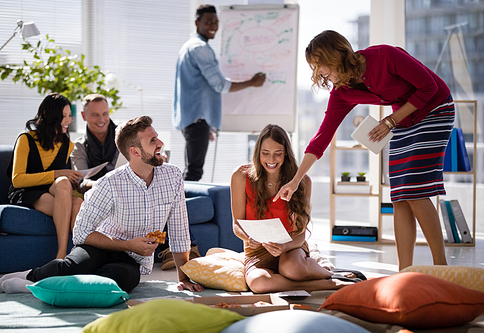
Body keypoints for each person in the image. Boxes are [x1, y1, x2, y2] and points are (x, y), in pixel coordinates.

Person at [274, 30, 455, 271]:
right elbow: (321, 137)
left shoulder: (384, 56)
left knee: (414, 190)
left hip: (435, 110)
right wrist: (296, 180)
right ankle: (404, 272)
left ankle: (442, 268)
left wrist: (390, 121)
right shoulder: (342, 92)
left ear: (336, 54)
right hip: (403, 118)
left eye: (320, 65)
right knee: (399, 196)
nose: (319, 73)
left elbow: (429, 87)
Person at [0, 116, 204, 294]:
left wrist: (183, 278)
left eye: (157, 136)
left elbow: (179, 228)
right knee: (77, 265)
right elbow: (81, 233)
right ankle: (32, 277)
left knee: (125, 279)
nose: (160, 143)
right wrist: (128, 244)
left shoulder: (173, 176)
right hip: (99, 246)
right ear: (135, 151)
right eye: (152, 140)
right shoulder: (109, 183)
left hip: (131, 258)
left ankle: (49, 285)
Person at [231, 124, 363, 294]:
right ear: (258, 153)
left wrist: (284, 247)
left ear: (286, 153)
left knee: (292, 270)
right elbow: (236, 224)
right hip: (256, 252)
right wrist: (249, 238)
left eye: (278, 153)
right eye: (265, 153)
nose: (271, 160)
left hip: (290, 248)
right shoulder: (241, 176)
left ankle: (328, 273)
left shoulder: (302, 181)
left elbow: (300, 235)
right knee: (258, 283)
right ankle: (327, 283)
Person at [173, 4, 266, 181]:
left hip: (194, 118)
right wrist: (252, 83)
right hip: (197, 119)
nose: (213, 26)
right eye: (208, 22)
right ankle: (185, 209)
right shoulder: (200, 48)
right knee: (194, 172)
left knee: (192, 169)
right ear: (196, 22)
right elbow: (220, 85)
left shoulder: (188, 46)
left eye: (215, 22)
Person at [7, 93, 84, 259]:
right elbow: (18, 179)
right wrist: (58, 173)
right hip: (27, 191)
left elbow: (62, 183)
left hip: (54, 190)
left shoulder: (67, 145)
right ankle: (62, 256)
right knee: (68, 191)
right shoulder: (26, 139)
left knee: (75, 197)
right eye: (63, 116)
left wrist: (76, 182)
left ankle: (77, 257)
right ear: (50, 116)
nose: (68, 121)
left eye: (70, 115)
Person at [70, 94, 119, 194]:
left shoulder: (124, 138)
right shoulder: (78, 147)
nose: (101, 119)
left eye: (105, 114)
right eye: (95, 115)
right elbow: (81, 181)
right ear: (84, 116)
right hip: (95, 195)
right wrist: (106, 187)